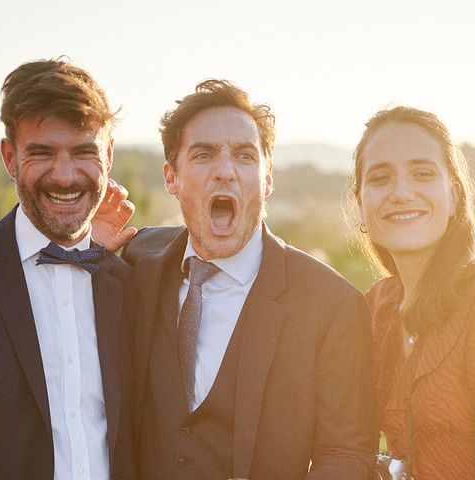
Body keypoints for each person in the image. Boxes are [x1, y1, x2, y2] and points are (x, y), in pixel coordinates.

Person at [118, 80, 375, 479]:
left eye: (244, 155)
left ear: (267, 178)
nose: (225, 172)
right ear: (172, 177)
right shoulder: (138, 261)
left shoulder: (332, 304)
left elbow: (345, 454)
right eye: (203, 155)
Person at [0, 59, 136, 480]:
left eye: (83, 152)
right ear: (10, 157)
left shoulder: (129, 284)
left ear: (108, 155)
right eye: (41, 153)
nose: (65, 175)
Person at [350, 106, 475, 479]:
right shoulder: (374, 307)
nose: (401, 192)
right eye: (380, 178)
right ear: (360, 205)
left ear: (455, 196)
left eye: (423, 174)